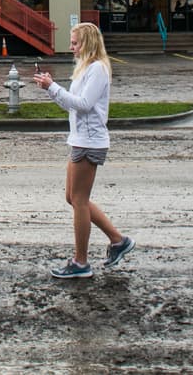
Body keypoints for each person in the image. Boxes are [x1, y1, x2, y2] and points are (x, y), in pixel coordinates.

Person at [32, 22, 135, 279]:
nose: (71, 47)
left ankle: (81, 263)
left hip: (90, 142)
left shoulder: (98, 69)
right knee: (73, 197)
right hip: (79, 140)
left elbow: (85, 105)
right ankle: (117, 240)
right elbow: (73, 105)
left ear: (87, 43)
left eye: (75, 43)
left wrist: (52, 88)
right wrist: (52, 88)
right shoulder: (85, 69)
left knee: (79, 201)